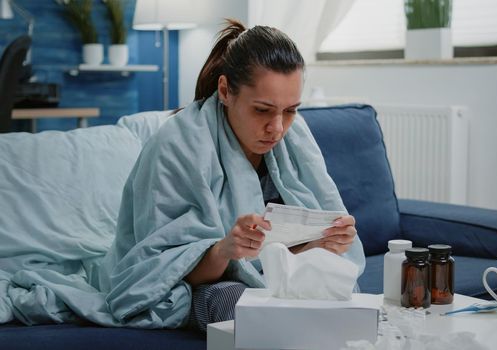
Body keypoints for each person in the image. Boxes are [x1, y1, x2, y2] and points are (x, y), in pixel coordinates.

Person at [98, 19, 366, 331]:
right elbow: (160, 271)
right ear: (225, 91)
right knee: (235, 303)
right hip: (204, 284)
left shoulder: (296, 141)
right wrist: (225, 249)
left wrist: (323, 243)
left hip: (276, 277)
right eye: (262, 110)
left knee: (341, 291)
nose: (277, 128)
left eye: (290, 110)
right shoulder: (177, 145)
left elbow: (284, 255)